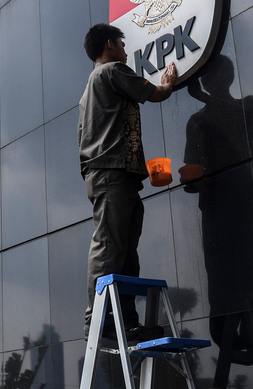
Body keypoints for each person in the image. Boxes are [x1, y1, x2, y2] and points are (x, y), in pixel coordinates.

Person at [78, 23, 176, 342]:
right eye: (121, 44)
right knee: (110, 245)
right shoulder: (112, 71)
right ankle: (97, 320)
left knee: (124, 250)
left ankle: (125, 321)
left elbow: (81, 137)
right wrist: (168, 82)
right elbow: (156, 94)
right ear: (110, 44)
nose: (124, 50)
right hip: (112, 173)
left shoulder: (89, 90)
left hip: (114, 174)